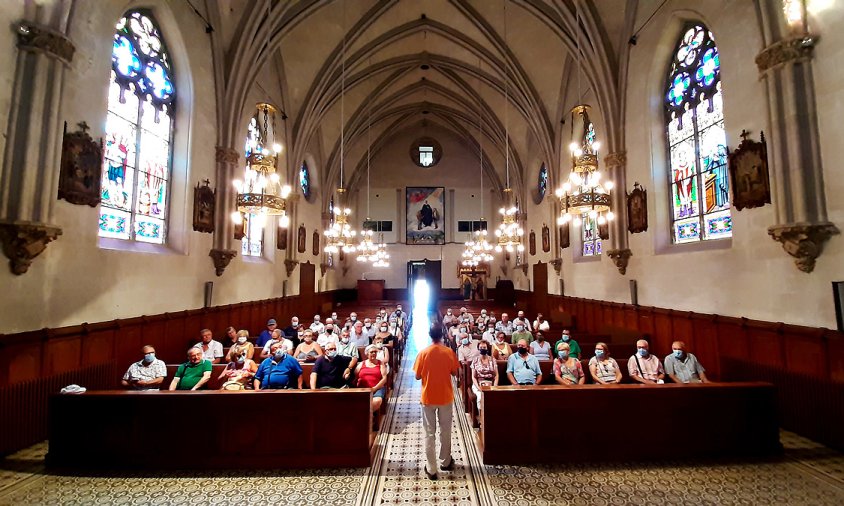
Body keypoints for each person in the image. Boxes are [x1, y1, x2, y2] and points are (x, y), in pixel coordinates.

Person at [414, 326, 459, 480]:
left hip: (428, 397)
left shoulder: (423, 353)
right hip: (445, 396)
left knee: (429, 433)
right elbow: (454, 372)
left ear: (430, 335)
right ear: (442, 335)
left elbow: (417, 376)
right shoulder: (448, 352)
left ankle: (431, 469)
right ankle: (445, 462)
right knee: (445, 430)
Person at [356, 345, 388, 413]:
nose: (374, 353)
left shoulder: (380, 363)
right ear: (367, 354)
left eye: (375, 352)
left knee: (376, 401)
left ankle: (367, 416)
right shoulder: (362, 364)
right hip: (363, 389)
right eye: (372, 352)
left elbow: (384, 378)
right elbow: (355, 375)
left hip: (377, 389)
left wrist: (375, 388)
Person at [470, 341, 498, 411]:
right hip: (479, 383)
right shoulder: (475, 360)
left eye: (484, 347)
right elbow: (473, 377)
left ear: (487, 348)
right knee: (480, 397)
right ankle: (482, 418)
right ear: (478, 349)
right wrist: (478, 387)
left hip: (491, 383)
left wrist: (494, 386)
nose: (483, 349)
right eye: (481, 347)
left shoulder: (492, 359)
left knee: (493, 397)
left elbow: (496, 375)